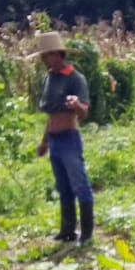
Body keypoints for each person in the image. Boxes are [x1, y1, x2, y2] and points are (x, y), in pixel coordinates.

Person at [30, 31, 94, 244]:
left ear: (58, 54)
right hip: (55, 140)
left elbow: (84, 111)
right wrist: (45, 141)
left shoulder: (75, 78)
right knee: (63, 186)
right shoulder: (49, 79)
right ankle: (67, 231)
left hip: (69, 138)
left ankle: (86, 233)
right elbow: (51, 115)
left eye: (47, 56)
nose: (44, 60)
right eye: (43, 56)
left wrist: (76, 106)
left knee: (79, 184)